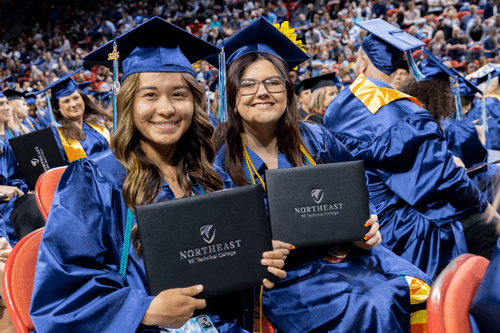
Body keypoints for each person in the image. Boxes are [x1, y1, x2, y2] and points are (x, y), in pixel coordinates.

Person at [30, 17, 287, 333]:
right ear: (128, 103)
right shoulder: (93, 180)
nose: (166, 109)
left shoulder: (211, 175)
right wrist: (143, 309)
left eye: (179, 95)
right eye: (149, 95)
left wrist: (257, 256)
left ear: (195, 102)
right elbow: (58, 295)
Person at [213, 17, 432, 333]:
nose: (262, 92)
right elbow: (219, 244)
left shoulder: (316, 139)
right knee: (372, 303)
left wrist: (367, 226)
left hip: (347, 258)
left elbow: (354, 194)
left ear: (288, 90)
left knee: (419, 286)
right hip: (284, 281)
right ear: (230, 94)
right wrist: (253, 251)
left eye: (273, 82)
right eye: (248, 84)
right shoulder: (216, 161)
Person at [323, 19, 500, 280]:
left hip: (362, 219)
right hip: (403, 228)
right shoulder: (406, 114)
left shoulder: (337, 107)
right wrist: (487, 209)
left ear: (361, 62)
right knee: (488, 228)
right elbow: (447, 180)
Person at [36, 67, 112, 164]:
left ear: (83, 99)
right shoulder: (55, 135)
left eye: (76, 98)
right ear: (57, 107)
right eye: (66, 101)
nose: (73, 104)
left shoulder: (97, 126)